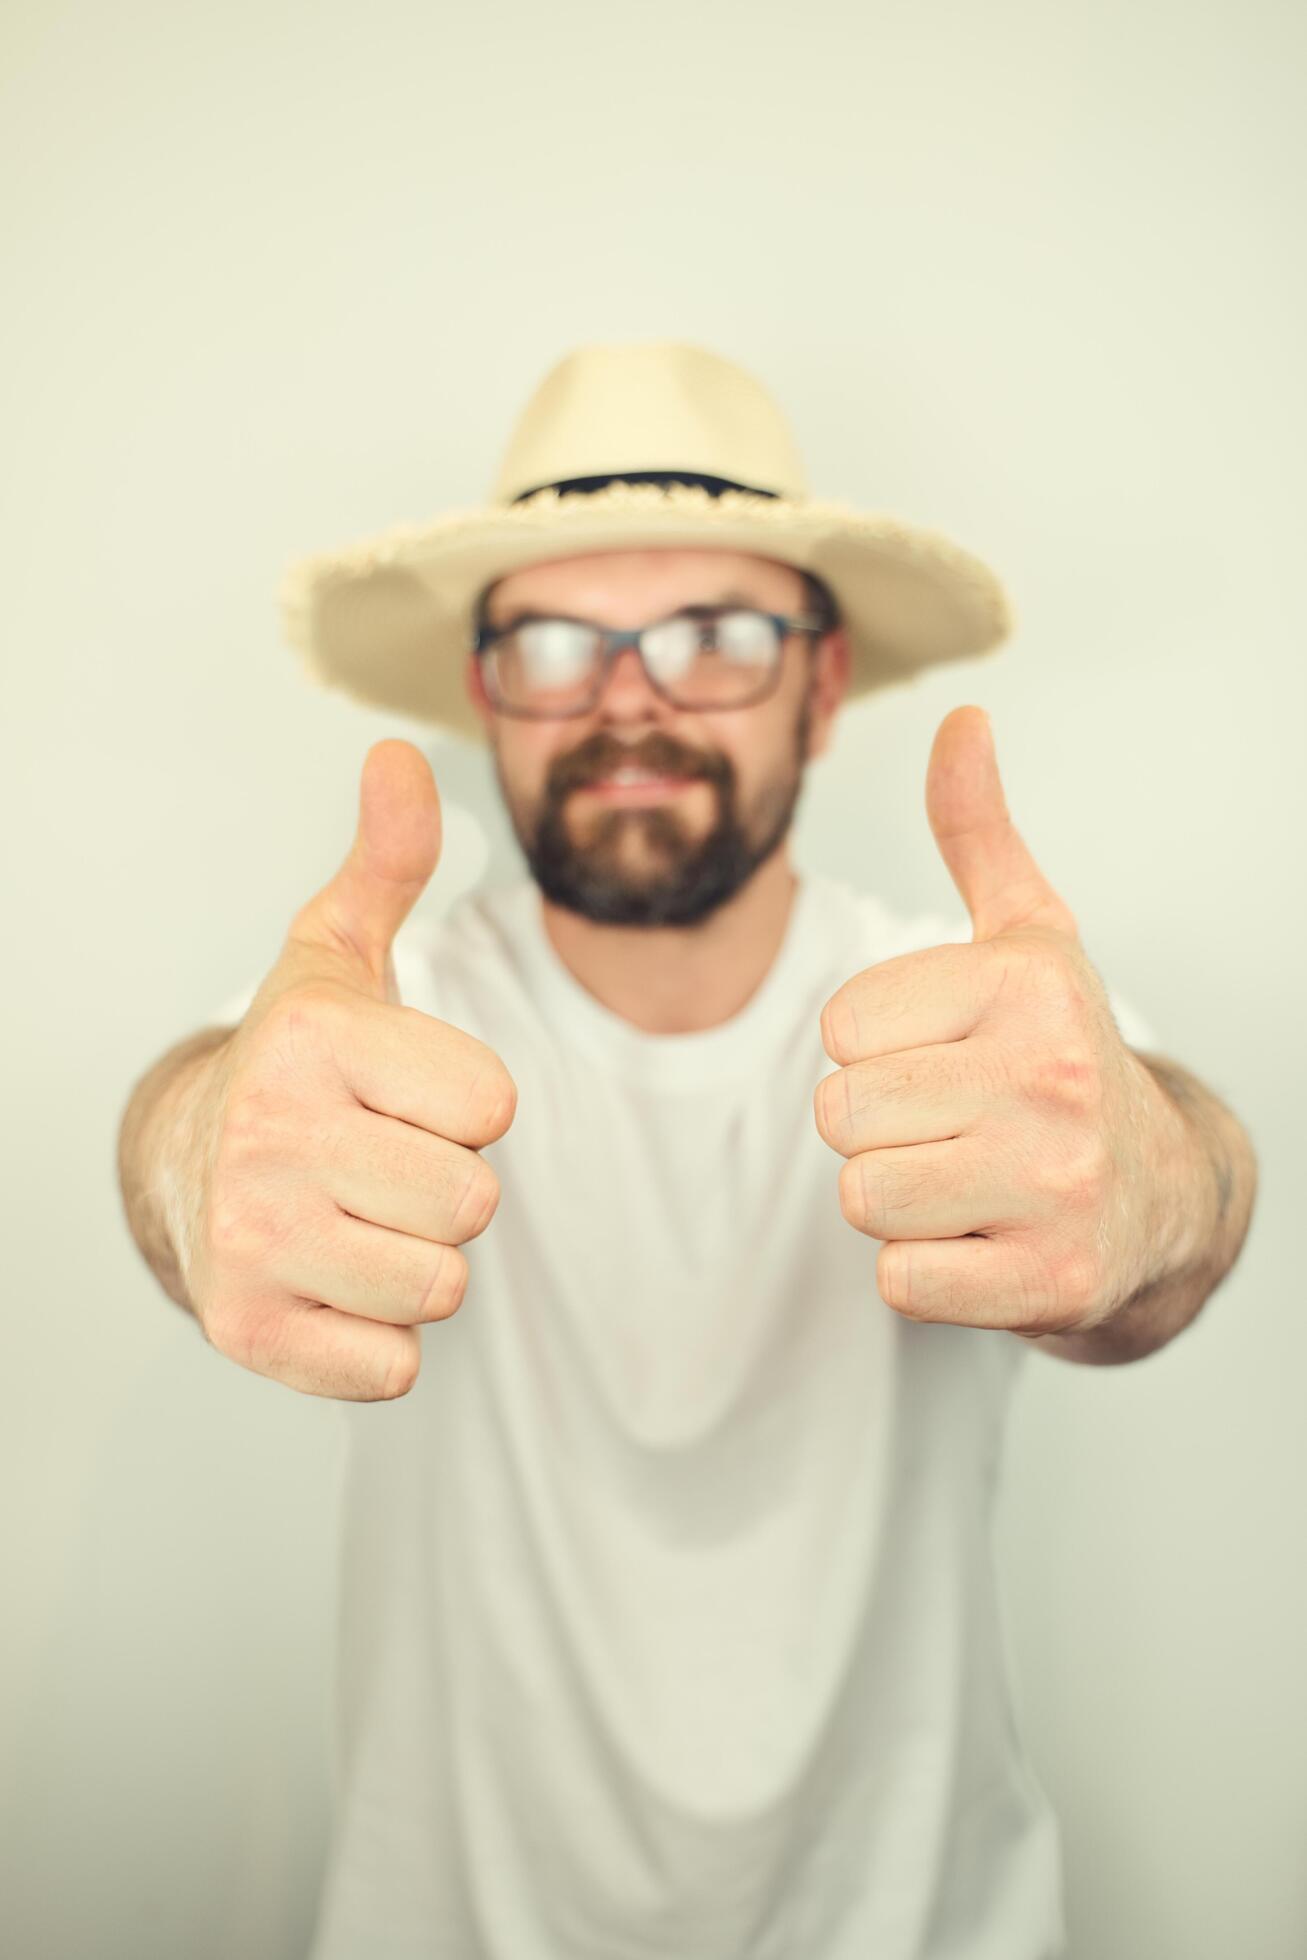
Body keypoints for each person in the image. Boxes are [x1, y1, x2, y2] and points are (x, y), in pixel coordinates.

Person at [116, 341, 1258, 1959]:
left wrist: (1164, 1185)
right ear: (484, 686)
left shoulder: (980, 1018)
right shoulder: (383, 1019)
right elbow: (199, 1121)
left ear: (826, 679)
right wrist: (187, 1155)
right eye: (561, 641)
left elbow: (1172, 1198)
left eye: (716, 636)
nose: (631, 697)